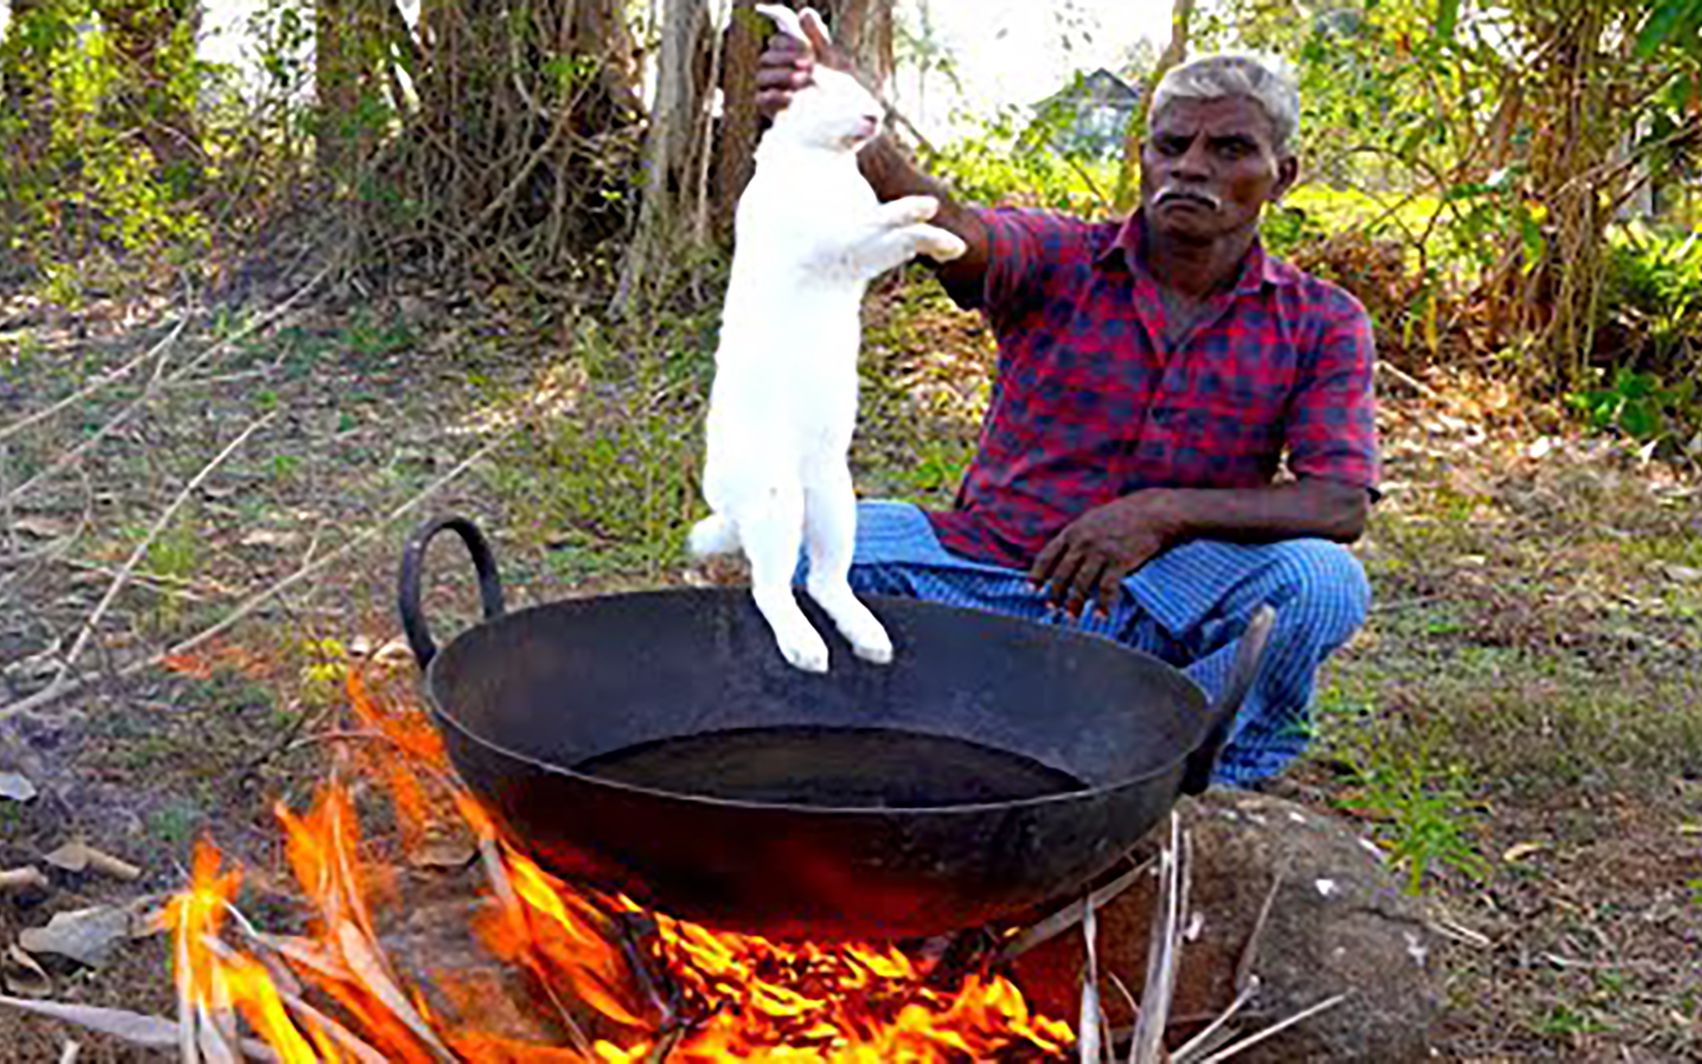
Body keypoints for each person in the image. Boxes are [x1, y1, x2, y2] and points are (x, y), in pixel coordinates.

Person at [755, 28, 1378, 787]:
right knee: (798, 551)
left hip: (1156, 608)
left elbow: (1338, 502)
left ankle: (1187, 767)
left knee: (1321, 584)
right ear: (1143, 159)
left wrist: (1160, 513)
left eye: (1229, 150)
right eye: (1171, 145)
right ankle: (907, 739)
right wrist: (857, 125)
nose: (1190, 166)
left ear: (1283, 176)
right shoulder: (1061, 259)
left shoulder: (1320, 319)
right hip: (992, 579)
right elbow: (950, 230)